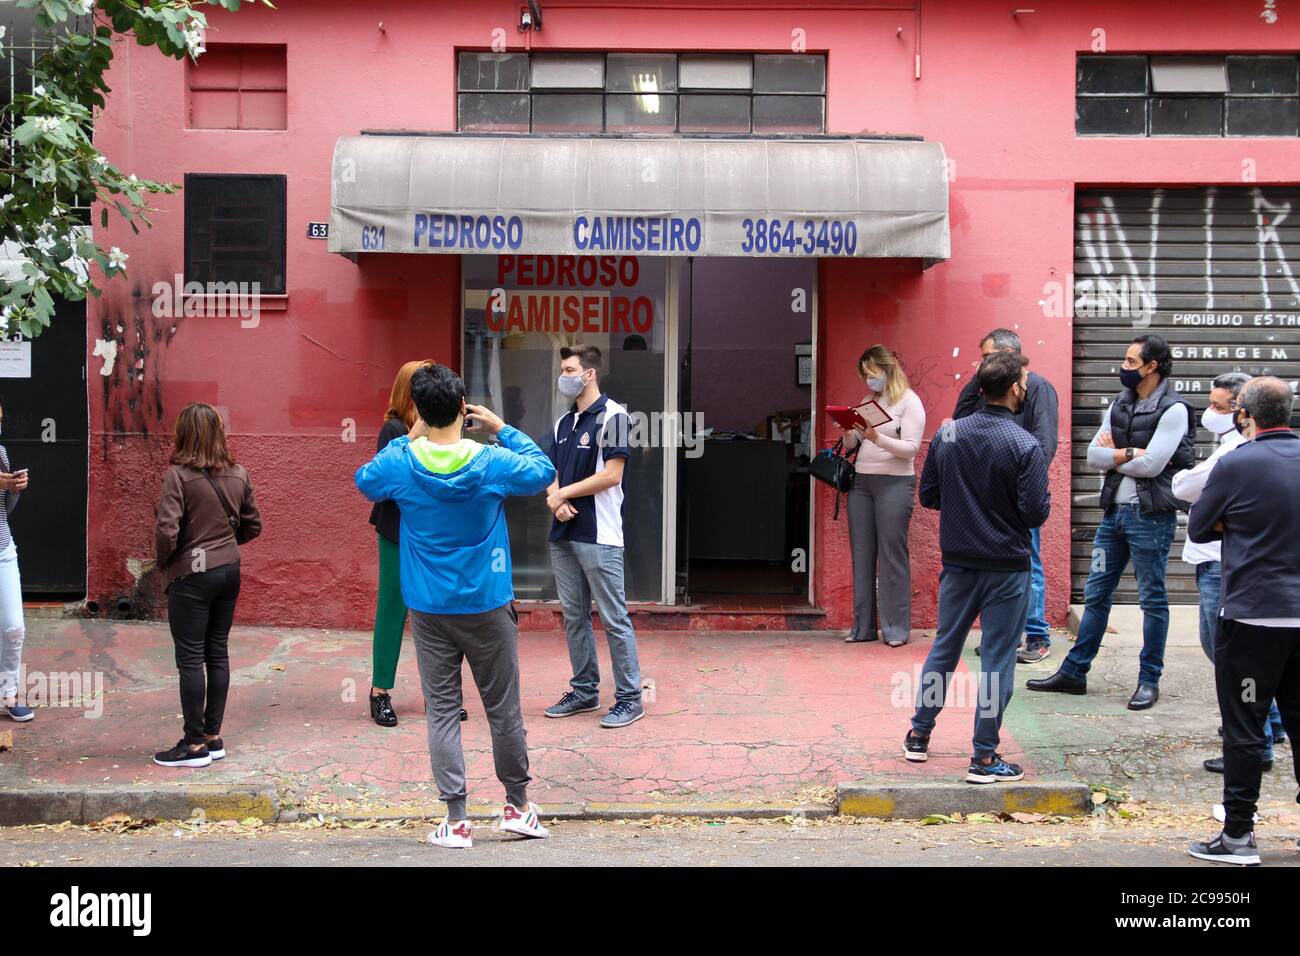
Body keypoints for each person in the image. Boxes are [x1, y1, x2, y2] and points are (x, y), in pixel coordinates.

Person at [355, 364, 555, 849]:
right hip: (488, 603)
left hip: (429, 607)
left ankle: (457, 819)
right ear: (464, 407)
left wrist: (409, 436)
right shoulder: (490, 461)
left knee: (443, 711)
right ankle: (517, 808)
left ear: (419, 411)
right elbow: (544, 470)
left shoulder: (402, 461)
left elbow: (365, 480)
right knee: (503, 710)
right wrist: (502, 428)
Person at [904, 351, 1050, 782]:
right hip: (1007, 567)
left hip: (958, 564)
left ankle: (918, 734)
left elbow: (929, 495)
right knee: (998, 660)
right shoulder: (1026, 444)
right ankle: (984, 757)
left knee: (944, 648)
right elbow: (1035, 513)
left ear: (980, 388)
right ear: (1016, 389)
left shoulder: (948, 436)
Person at [1027, 334, 1193, 710]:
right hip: (1113, 518)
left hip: (1150, 518)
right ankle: (1074, 672)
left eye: (1131, 362)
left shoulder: (1174, 409)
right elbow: (1092, 456)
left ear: (1152, 367)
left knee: (1152, 599)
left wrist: (1116, 455)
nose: (1123, 367)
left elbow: (1153, 467)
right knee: (1097, 594)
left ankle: (1149, 679)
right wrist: (1129, 452)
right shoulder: (1121, 402)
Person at [1186, 377, 1300, 866]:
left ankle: (1238, 836)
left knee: (1246, 726)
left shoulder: (1236, 463)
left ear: (1246, 415)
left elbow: (1198, 525)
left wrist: (1235, 521)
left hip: (1254, 620)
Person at [1170, 372, 1284, 774]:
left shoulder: (1237, 453)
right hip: (1231, 570)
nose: (1210, 413)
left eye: (1220, 407)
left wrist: (1198, 491)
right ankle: (1268, 728)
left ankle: (1257, 748)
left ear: (1244, 412)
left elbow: (1188, 494)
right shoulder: (1240, 450)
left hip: (1230, 573)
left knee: (1232, 660)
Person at [153, 403, 263, 768]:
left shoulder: (178, 476)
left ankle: (193, 745)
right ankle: (213, 736)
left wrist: (165, 563)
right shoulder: (239, 473)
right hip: (229, 571)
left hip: (192, 577)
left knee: (189, 659)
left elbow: (167, 531)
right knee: (217, 652)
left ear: (184, 434)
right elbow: (252, 526)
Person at [542, 344, 646, 728]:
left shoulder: (615, 415)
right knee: (574, 617)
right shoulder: (561, 423)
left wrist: (563, 493)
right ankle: (585, 691)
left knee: (614, 618)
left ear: (589, 374)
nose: (564, 376)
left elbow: (612, 475)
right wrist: (555, 499)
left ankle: (631, 698)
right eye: (563, 369)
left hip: (599, 535)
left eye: (570, 369)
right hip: (564, 533)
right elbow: (549, 471)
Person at [365, 360, 466, 728]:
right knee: (392, 610)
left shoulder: (444, 425)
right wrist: (414, 437)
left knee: (442, 613)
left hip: (432, 533)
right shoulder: (393, 428)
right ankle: (379, 693)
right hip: (396, 531)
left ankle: (440, 694)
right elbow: (379, 476)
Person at [952, 329, 1060, 663]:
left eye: (987, 357)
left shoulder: (1039, 389)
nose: (981, 363)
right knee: (995, 568)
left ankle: (1036, 635)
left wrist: (1024, 485)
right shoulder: (989, 388)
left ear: (1010, 354)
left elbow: (1045, 444)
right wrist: (978, 377)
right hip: (989, 493)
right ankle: (1003, 636)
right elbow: (960, 419)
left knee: (1030, 562)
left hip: (1020, 493)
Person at [835, 345, 926, 647]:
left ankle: (896, 629)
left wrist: (878, 437)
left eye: (872, 373)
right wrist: (848, 429)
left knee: (891, 556)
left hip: (895, 484)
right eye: (864, 375)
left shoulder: (909, 402)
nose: (868, 380)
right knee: (862, 555)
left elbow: (911, 449)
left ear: (888, 369)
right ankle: (862, 628)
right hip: (862, 483)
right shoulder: (867, 401)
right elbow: (853, 443)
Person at [0, 400, 31, 722]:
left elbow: (4, 511)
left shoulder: (1, 452)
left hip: (3, 548)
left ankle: (8, 691)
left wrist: (16, 490)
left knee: (13, 627)